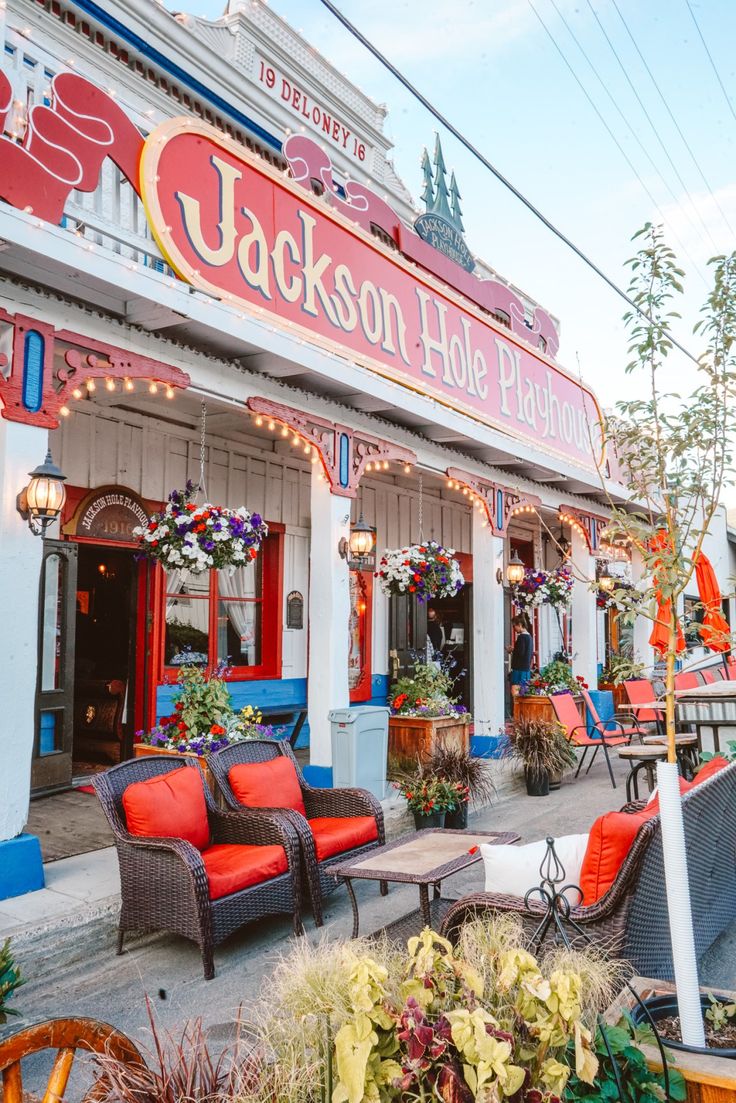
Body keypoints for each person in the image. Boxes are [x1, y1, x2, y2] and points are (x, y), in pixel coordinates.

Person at [508, 612, 533, 695]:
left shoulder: (521, 637)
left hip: (519, 669)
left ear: (519, 624)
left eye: (514, 626)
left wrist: (511, 650)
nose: (514, 629)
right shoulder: (529, 637)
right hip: (526, 669)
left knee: (515, 693)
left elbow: (520, 652)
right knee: (524, 693)